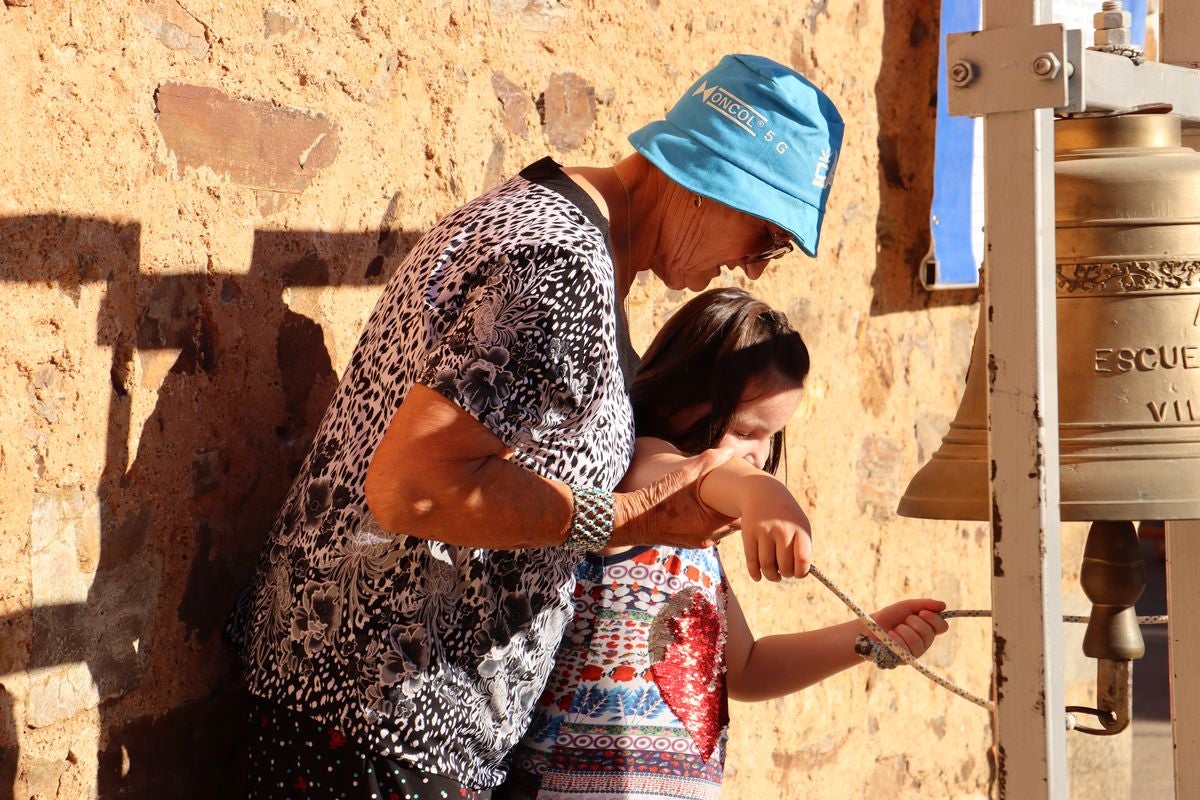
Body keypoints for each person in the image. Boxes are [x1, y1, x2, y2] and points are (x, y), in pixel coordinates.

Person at [232, 54, 844, 799]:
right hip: (379, 714)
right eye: (766, 237)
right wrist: (626, 516)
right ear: (712, 179)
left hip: (371, 706)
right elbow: (412, 488)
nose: (754, 268)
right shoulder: (563, 264)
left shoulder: (555, 227)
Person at [498, 288, 949, 800]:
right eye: (744, 430)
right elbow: (691, 477)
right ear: (677, 400)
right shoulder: (639, 474)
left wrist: (865, 637)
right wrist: (760, 490)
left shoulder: (696, 546)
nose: (758, 455)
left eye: (771, 437)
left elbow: (748, 668)